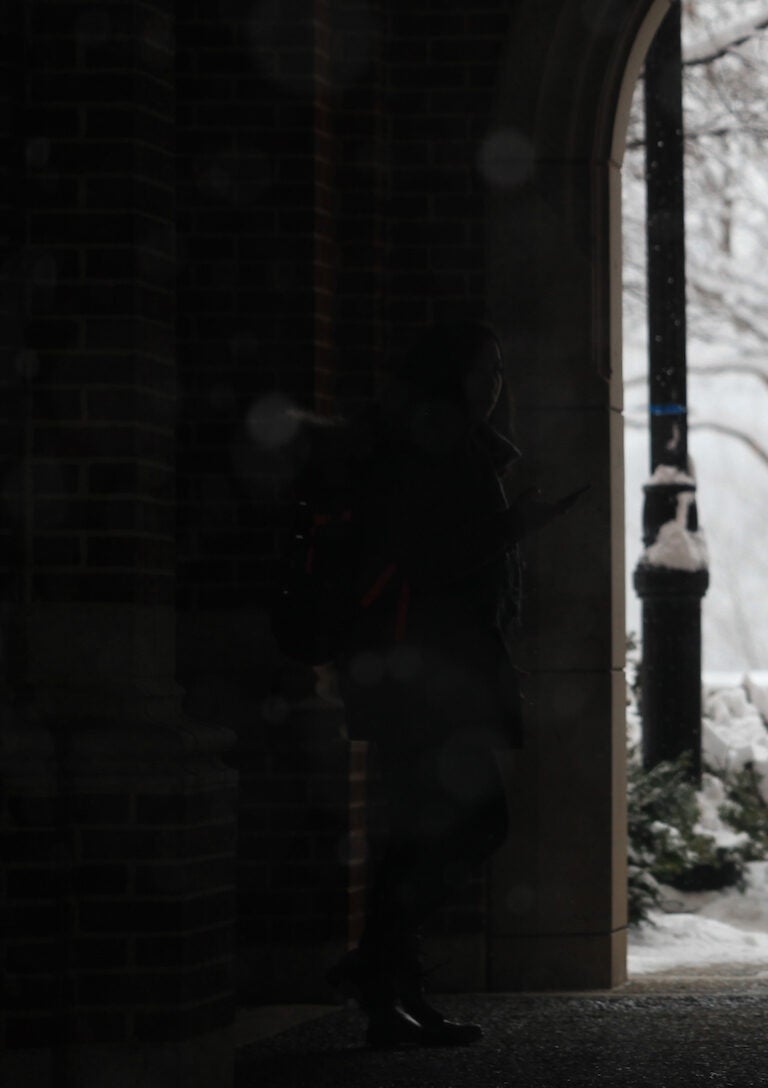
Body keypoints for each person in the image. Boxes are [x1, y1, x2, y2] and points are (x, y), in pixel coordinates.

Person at [324, 323, 581, 1048]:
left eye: (498, 367)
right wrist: (514, 525)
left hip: (431, 674)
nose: (496, 380)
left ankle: (389, 987)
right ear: (450, 376)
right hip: (424, 678)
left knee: (425, 831)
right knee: (465, 824)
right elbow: (430, 558)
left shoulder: (449, 443)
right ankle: (379, 973)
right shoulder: (430, 448)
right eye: (484, 367)